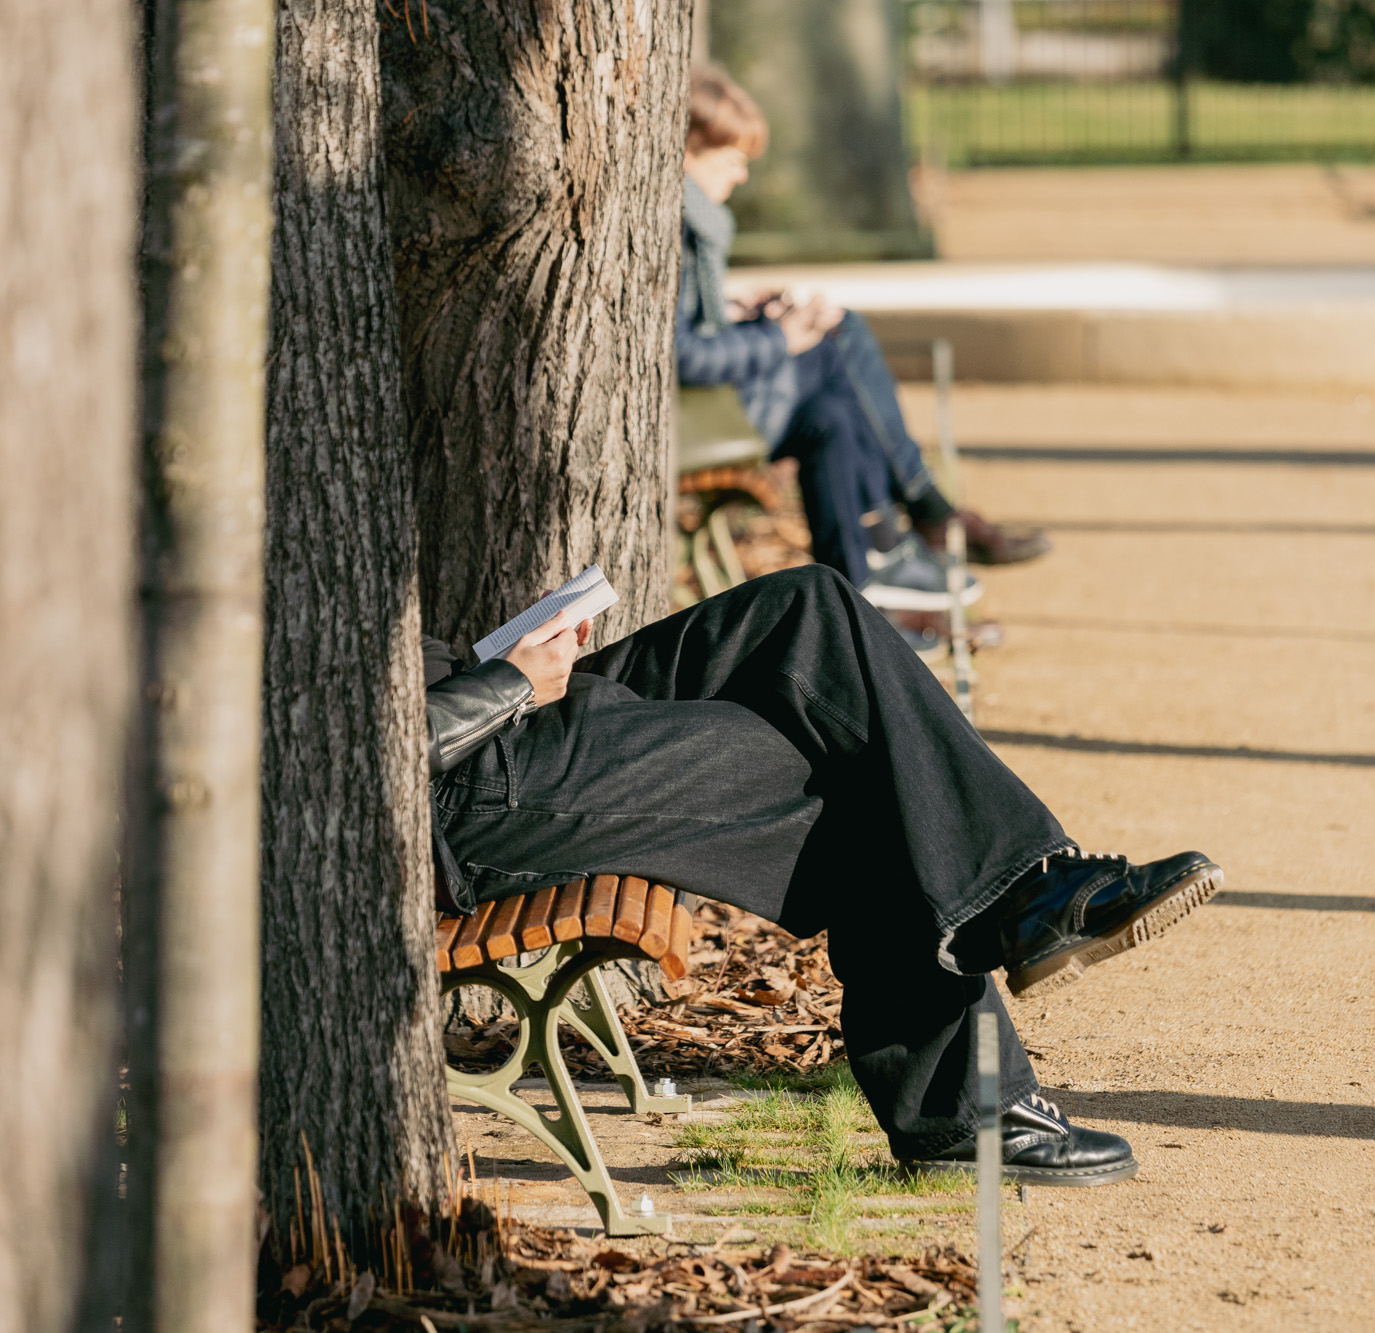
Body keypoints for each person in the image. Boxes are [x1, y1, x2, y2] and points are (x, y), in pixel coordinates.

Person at [424, 567, 1221, 1183]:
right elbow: (359, 752)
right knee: (843, 771)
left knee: (812, 607)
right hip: (467, 782)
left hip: (483, 710)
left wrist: (501, 669)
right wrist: (512, 683)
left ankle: (1026, 892)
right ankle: (972, 1083)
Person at [674, 65, 1050, 619]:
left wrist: (738, 311)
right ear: (687, 150)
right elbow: (681, 357)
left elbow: (679, 329)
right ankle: (913, 516)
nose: (742, 178)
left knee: (833, 415)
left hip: (706, 409)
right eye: (733, 160)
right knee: (837, 336)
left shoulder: (692, 222)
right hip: (696, 424)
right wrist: (780, 337)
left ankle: (861, 598)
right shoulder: (680, 227)